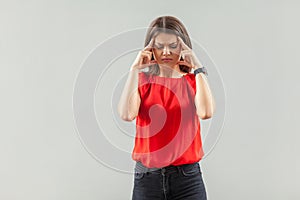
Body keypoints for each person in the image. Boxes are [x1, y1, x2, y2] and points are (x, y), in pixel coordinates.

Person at [118, 15, 215, 200]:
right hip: (148, 179)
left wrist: (197, 67)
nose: (166, 52)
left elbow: (206, 112)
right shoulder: (143, 81)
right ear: (150, 48)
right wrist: (134, 70)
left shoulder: (193, 81)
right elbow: (126, 114)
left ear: (183, 46)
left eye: (173, 46)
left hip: (187, 179)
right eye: (159, 46)